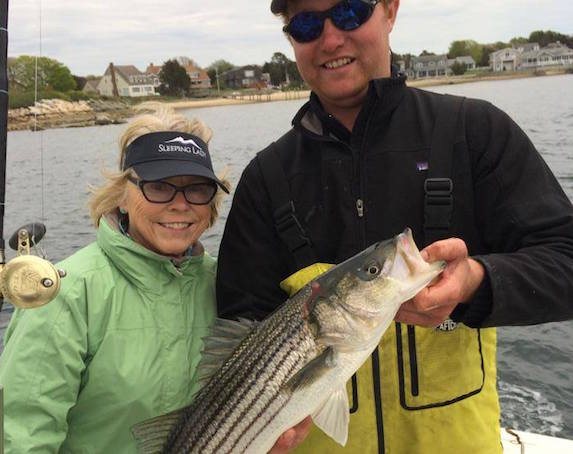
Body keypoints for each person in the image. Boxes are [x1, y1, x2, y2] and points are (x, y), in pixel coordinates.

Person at [216, 1, 573, 453]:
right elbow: (234, 334)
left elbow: (566, 259)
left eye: (349, 13)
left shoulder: (475, 132)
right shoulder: (266, 179)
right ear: (291, 39)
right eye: (306, 24)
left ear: (389, 10)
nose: (329, 39)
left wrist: (477, 282)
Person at [0, 109, 233, 453]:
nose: (180, 205)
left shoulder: (224, 284)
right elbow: (23, 436)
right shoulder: (67, 296)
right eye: (158, 187)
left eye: (197, 189)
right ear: (123, 195)